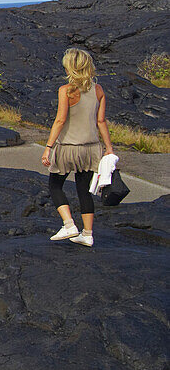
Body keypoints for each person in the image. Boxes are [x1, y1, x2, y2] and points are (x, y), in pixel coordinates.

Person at [41, 48, 113, 247]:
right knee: (84, 190)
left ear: (70, 67)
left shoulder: (66, 90)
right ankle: (87, 234)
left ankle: (69, 224)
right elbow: (101, 121)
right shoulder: (98, 90)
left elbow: (60, 120)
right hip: (91, 149)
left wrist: (48, 147)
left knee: (55, 185)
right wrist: (109, 148)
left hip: (68, 148)